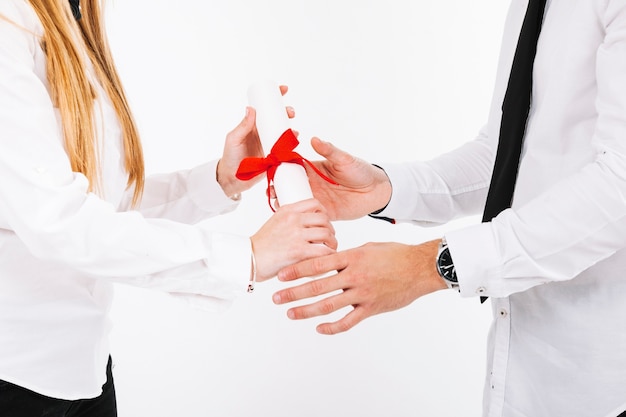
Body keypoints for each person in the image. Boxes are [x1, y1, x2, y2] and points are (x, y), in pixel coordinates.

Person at [271, 0, 626, 416]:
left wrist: (431, 265)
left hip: (604, 371)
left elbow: (619, 187)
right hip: (525, 363)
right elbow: (506, 152)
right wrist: (385, 189)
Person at [0, 0, 337, 415]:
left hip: (84, 372)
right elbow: (57, 221)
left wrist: (220, 181)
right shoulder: (8, 24)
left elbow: (105, 206)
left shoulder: (78, 18)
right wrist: (246, 257)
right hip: (15, 376)